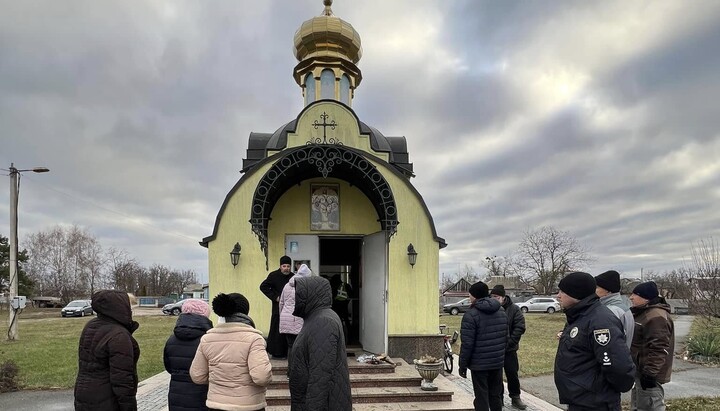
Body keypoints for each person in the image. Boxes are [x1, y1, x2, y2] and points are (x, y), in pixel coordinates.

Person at [554, 272, 635, 411]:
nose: (558, 295)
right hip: (581, 400)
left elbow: (618, 365)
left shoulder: (600, 321)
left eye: (563, 291)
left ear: (576, 294)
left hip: (596, 402)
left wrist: (604, 391)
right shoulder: (579, 316)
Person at [190, 293, 272, 411]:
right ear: (246, 311)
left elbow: (197, 375)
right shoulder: (254, 339)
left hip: (216, 405)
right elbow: (262, 377)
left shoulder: (207, 339)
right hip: (248, 406)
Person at [288, 276, 352, 411]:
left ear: (310, 294)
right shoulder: (316, 317)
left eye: (299, 293)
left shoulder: (323, 321)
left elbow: (320, 377)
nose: (295, 298)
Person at [74, 290, 140, 411]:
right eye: (130, 307)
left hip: (84, 394)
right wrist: (129, 407)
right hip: (107, 399)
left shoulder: (91, 325)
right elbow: (122, 379)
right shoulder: (119, 335)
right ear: (121, 308)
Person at [459, 281, 507, 411]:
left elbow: (467, 344)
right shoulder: (501, 310)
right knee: (495, 395)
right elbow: (504, 337)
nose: (469, 297)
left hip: (479, 364)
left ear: (474, 296)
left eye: (470, 294)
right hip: (497, 362)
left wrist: (462, 365)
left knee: (481, 397)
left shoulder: (471, 314)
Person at [629, 281, 675, 411]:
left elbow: (659, 348)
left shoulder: (656, 317)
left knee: (650, 406)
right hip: (641, 371)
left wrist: (649, 374)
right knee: (639, 405)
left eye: (635, 294)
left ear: (646, 297)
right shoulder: (644, 313)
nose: (631, 297)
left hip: (649, 374)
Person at [164, 299, 213, 411]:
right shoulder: (208, 340)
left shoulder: (171, 339)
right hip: (202, 393)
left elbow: (168, 367)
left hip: (176, 394)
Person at [490, 285, 527, 410]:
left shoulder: (514, 309)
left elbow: (520, 327)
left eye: (497, 297)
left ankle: (515, 397)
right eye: (492, 296)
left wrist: (510, 342)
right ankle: (498, 399)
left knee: (512, 373)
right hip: (495, 349)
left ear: (503, 297)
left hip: (510, 350)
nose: (494, 299)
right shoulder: (491, 310)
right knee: (496, 375)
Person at [279, 263, 312, 377]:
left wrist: (282, 317)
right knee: (302, 347)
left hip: (286, 318)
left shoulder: (287, 285)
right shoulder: (307, 287)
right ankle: (300, 373)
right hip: (299, 319)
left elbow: (281, 303)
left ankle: (290, 373)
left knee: (291, 346)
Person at [259, 255, 293, 358]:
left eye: (288, 266)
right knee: (276, 329)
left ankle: (286, 352)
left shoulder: (292, 277)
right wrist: (275, 297)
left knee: (288, 329)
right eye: (284, 266)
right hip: (277, 308)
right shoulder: (273, 275)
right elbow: (263, 286)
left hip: (289, 308)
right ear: (280, 266)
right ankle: (275, 352)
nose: (286, 268)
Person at [595, 270, 635, 348]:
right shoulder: (623, 308)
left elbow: (607, 342)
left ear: (607, 290)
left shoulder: (610, 311)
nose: (594, 290)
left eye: (597, 287)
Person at [330, 275, 353, 342]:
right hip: (344, 306)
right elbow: (351, 295)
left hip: (336, 307)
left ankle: (340, 338)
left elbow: (331, 296)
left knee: (338, 322)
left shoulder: (333, 286)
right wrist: (346, 302)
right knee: (347, 321)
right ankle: (350, 338)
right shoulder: (346, 285)